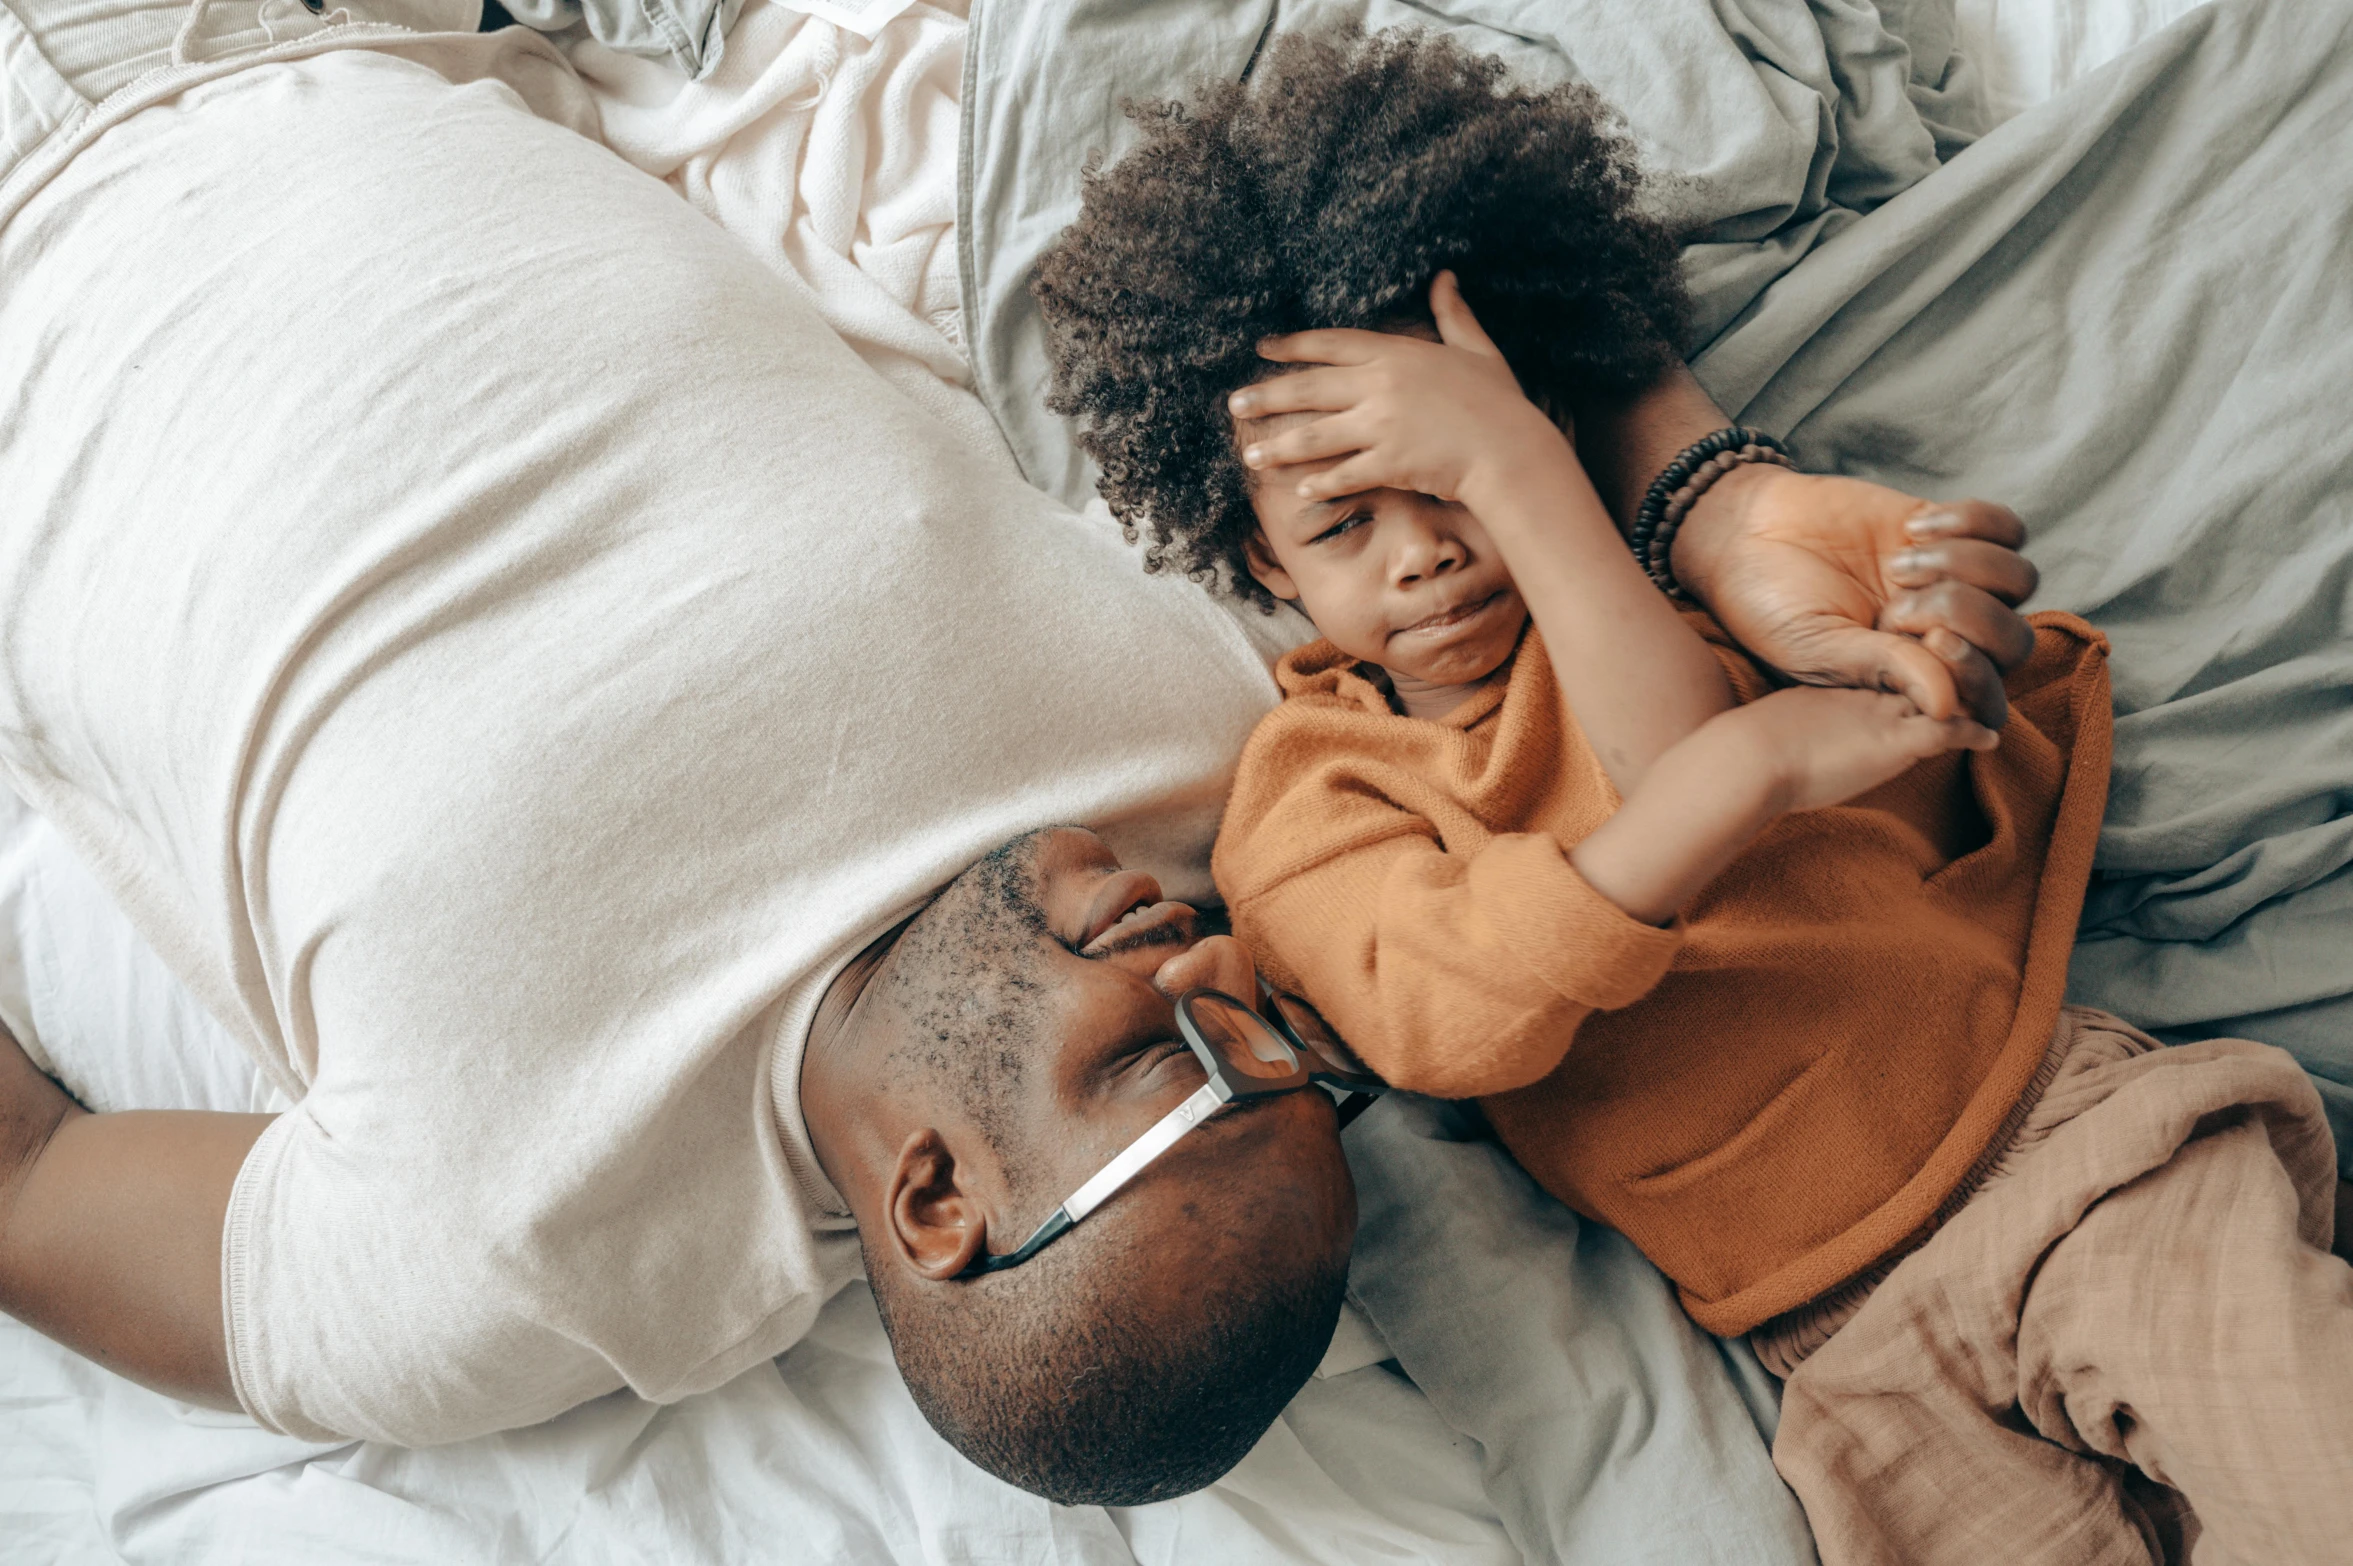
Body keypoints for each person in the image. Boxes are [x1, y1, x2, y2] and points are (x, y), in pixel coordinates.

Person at [0, 0, 2039, 1512]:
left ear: (938, 1204)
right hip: (374, 42)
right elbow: (1411, 399)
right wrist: (1715, 505)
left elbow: (33, 1185)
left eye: (1159, 1060)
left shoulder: (507, 1250)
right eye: (1267, 1038)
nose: (1205, 965)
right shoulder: (1220, 762)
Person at [1035, 26, 2353, 1560]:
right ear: (1260, 561)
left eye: (1466, 481)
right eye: (1346, 521)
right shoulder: (1310, 792)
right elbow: (1435, 1013)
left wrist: (1538, 478)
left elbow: (1674, 760)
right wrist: (1749, 756)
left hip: (2065, 1156)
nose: (1429, 551)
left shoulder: (1641, 596)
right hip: (1842, 1352)